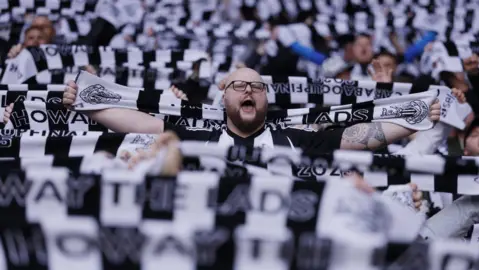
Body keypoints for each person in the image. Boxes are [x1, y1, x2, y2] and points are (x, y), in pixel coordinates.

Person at [62, 67, 440, 152]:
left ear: (266, 100)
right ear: (223, 98)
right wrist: (88, 104)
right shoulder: (198, 131)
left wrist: (415, 118)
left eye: (257, 87)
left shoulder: (294, 139)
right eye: (239, 85)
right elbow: (140, 122)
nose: (248, 90)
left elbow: (354, 139)